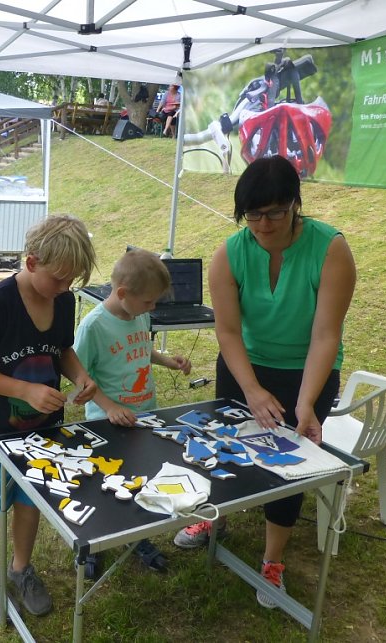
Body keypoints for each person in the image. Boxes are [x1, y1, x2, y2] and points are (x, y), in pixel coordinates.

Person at [172, 155, 356, 609]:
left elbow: (325, 334)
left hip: (306, 370)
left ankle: (273, 560)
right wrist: (251, 389)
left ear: (295, 204)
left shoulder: (330, 248)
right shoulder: (230, 253)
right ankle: (213, 515)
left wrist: (306, 402)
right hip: (243, 367)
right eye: (253, 214)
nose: (263, 224)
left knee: (289, 464)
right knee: (223, 446)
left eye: (274, 212)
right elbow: (228, 332)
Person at [0, 215, 98, 622]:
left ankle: (21, 568)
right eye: (59, 279)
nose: (65, 289)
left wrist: (81, 375)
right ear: (32, 262)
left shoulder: (63, 299)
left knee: (30, 500)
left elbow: (62, 351)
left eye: (70, 282)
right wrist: (23, 390)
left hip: (42, 430)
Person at [73, 249, 192, 573]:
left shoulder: (138, 313)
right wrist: (109, 407)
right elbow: (78, 376)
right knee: (102, 485)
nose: (152, 308)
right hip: (106, 424)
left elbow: (141, 346)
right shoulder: (94, 326)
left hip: (144, 416)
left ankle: (135, 537)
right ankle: (93, 543)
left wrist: (167, 360)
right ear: (123, 293)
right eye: (148, 302)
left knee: (137, 480)